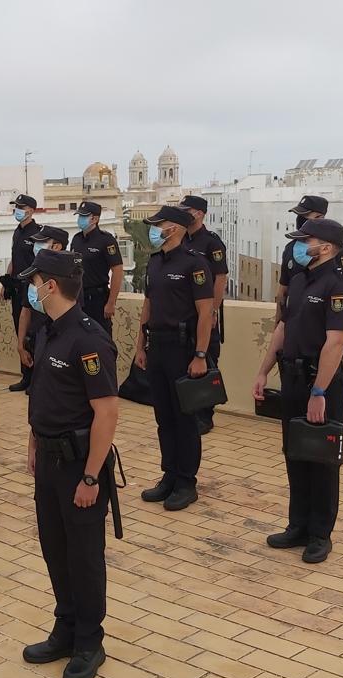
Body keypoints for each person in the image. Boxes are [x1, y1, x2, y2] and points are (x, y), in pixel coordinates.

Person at [19, 250, 119, 678]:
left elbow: (107, 413)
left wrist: (93, 476)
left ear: (51, 286)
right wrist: (33, 442)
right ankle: (65, 626)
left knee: (83, 556)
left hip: (80, 465)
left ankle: (89, 641)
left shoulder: (88, 338)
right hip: (49, 459)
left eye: (35, 281)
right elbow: (41, 395)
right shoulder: (47, 332)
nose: (31, 289)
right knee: (54, 548)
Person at [252, 219, 343, 564]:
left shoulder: (340, 286)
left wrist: (319, 392)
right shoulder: (299, 281)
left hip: (321, 384)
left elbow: (337, 341)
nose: (299, 247)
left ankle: (319, 534)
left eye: (305, 241)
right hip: (293, 378)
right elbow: (283, 327)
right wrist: (264, 370)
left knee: (321, 461)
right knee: (295, 454)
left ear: (325, 247)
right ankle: (297, 525)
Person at [134, 206, 214, 511]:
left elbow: (206, 313)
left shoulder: (195, 264)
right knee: (163, 417)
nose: (155, 230)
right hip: (158, 347)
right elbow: (147, 307)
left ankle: (186, 481)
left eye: (160, 225)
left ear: (177, 228)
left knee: (184, 420)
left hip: (184, 350)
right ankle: (169, 474)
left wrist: (200, 355)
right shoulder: (154, 263)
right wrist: (141, 346)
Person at [178, 195, 228, 435]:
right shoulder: (181, 240)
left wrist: (213, 310)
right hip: (185, 313)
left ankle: (205, 417)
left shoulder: (211, 243)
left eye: (186, 210)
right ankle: (189, 412)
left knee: (206, 362)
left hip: (205, 312)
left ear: (199, 213)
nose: (183, 214)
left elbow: (220, 278)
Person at [276, 195, 343, 319]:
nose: (300, 220)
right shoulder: (291, 248)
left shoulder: (338, 248)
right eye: (299, 216)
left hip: (321, 320)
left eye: (305, 216)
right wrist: (278, 322)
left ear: (320, 218)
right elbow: (283, 291)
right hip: (293, 319)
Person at [17, 226, 69, 373]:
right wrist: (20, 344)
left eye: (42, 242)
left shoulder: (71, 276)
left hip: (59, 341)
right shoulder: (34, 271)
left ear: (57, 246)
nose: (36, 247)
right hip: (37, 337)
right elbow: (25, 311)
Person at [69, 201, 124, 335]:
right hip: (79, 299)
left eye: (83, 216)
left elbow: (117, 271)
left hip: (98, 299)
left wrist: (111, 302)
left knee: (101, 338)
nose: (80, 219)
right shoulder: (76, 239)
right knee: (81, 339)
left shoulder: (106, 240)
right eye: (79, 216)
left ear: (95, 218)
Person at [6, 194, 40, 392]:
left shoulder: (38, 233)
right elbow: (14, 259)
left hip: (32, 289)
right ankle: (25, 375)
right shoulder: (16, 232)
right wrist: (7, 281)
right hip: (17, 288)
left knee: (32, 333)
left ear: (31, 210)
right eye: (16, 206)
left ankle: (36, 376)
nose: (17, 210)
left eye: (21, 207)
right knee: (19, 330)